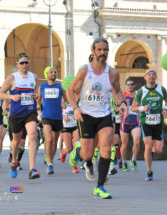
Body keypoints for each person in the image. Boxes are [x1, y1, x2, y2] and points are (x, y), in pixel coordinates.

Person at [67, 38, 127, 199]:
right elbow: (70, 91)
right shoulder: (85, 71)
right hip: (86, 115)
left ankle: (99, 187)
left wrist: (122, 103)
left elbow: (117, 90)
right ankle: (78, 151)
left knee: (106, 147)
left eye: (105, 50)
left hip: (104, 115)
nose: (103, 53)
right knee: (87, 155)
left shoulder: (112, 72)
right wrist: (75, 108)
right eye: (99, 50)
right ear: (93, 52)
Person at [0, 52, 40, 179]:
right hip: (16, 114)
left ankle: (32, 169)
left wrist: (37, 97)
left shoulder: (34, 76)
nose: (24, 65)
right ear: (17, 64)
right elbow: (0, 94)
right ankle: (14, 160)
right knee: (16, 141)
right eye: (22, 63)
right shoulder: (12, 78)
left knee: (33, 136)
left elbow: (34, 92)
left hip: (30, 111)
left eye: (26, 62)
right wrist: (11, 96)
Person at [131, 69, 167, 181]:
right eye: (149, 74)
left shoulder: (161, 89)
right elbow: (133, 108)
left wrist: (165, 109)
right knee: (148, 146)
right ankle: (149, 171)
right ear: (145, 77)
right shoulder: (141, 91)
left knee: (158, 149)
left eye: (153, 74)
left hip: (158, 122)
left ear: (156, 76)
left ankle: (149, 153)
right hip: (145, 122)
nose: (151, 76)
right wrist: (143, 108)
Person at [38, 66, 67, 175]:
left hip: (58, 116)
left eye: (55, 72)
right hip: (46, 116)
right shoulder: (42, 86)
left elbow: (67, 99)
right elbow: (38, 100)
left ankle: (50, 159)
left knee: (54, 140)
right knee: (49, 139)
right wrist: (38, 110)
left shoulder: (60, 86)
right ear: (46, 75)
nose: (53, 73)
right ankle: (50, 164)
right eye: (51, 72)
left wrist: (66, 104)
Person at [120, 78, 141, 172]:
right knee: (124, 144)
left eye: (132, 84)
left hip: (136, 122)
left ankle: (133, 160)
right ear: (125, 86)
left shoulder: (138, 95)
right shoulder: (123, 95)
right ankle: (124, 162)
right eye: (128, 84)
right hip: (125, 123)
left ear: (135, 85)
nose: (130, 86)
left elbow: (143, 106)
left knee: (136, 142)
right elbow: (117, 107)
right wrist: (122, 111)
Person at [59, 99, 80, 173]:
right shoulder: (62, 101)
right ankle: (64, 151)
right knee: (69, 149)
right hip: (65, 127)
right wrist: (63, 116)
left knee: (76, 146)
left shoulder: (75, 100)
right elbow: (57, 111)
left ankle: (74, 166)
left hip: (75, 126)